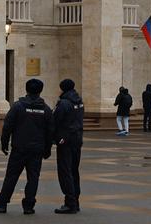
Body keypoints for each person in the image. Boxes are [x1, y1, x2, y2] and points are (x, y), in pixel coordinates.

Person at [0, 79, 54, 215]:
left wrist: (4, 143)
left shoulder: (18, 106)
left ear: (26, 89)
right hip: (37, 149)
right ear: (40, 90)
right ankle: (29, 206)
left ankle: (2, 204)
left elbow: (7, 126)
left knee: (11, 176)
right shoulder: (46, 109)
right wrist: (47, 149)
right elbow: (50, 131)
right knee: (33, 178)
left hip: (19, 148)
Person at [53, 79, 85, 215]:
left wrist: (54, 138)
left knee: (65, 171)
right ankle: (75, 201)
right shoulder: (79, 101)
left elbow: (56, 120)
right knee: (74, 170)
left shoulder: (64, 103)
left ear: (63, 89)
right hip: (77, 139)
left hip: (65, 141)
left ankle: (70, 203)